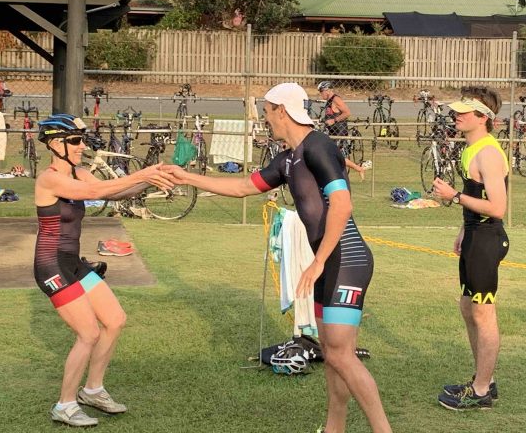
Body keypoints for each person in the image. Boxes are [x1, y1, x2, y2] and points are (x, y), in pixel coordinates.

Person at [165, 83, 392, 433]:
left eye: (267, 111)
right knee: (332, 353)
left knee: (340, 355)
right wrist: (187, 177)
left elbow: (342, 204)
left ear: (282, 111)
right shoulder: (288, 159)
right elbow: (242, 187)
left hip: (346, 259)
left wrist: (318, 261)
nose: (265, 118)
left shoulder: (318, 146)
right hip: (328, 263)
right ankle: (335, 427)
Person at [34, 113, 172, 427]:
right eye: (75, 141)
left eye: (82, 140)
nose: (82, 146)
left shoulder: (80, 173)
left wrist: (151, 179)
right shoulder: (49, 179)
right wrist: (144, 172)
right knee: (89, 333)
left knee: (114, 319)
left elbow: (113, 192)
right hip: (50, 265)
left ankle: (93, 390)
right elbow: (96, 194)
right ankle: (64, 405)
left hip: (72, 262)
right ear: (55, 144)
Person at [432, 87, 509, 411]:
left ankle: (480, 391)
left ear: (482, 117)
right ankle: (483, 378)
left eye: (464, 111)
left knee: (482, 312)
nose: (456, 115)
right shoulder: (472, 148)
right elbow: (477, 197)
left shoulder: (487, 153)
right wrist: (464, 229)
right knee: (468, 308)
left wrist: (453, 196)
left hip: (488, 239)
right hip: (476, 236)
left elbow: (498, 208)